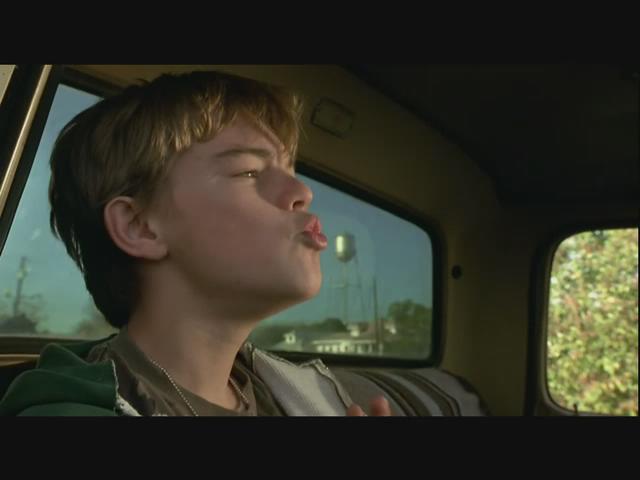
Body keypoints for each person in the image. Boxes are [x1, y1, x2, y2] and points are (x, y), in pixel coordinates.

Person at [0, 69, 390, 416]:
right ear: (140, 227)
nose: (302, 192)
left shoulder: (301, 396)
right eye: (249, 172)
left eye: (291, 170)